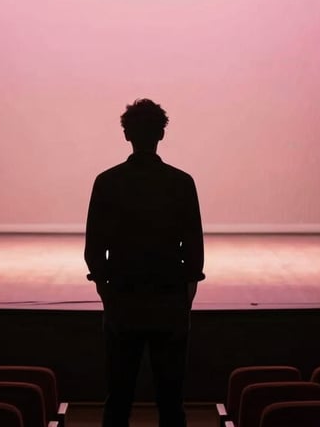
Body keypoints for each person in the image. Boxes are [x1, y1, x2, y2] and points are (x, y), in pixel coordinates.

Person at [85, 98, 205, 427]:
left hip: (123, 304)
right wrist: (184, 299)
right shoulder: (181, 182)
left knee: (119, 399)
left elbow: (94, 250)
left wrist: (108, 295)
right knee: (171, 401)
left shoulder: (107, 181)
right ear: (161, 135)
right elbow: (194, 251)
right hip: (169, 305)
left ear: (127, 135)